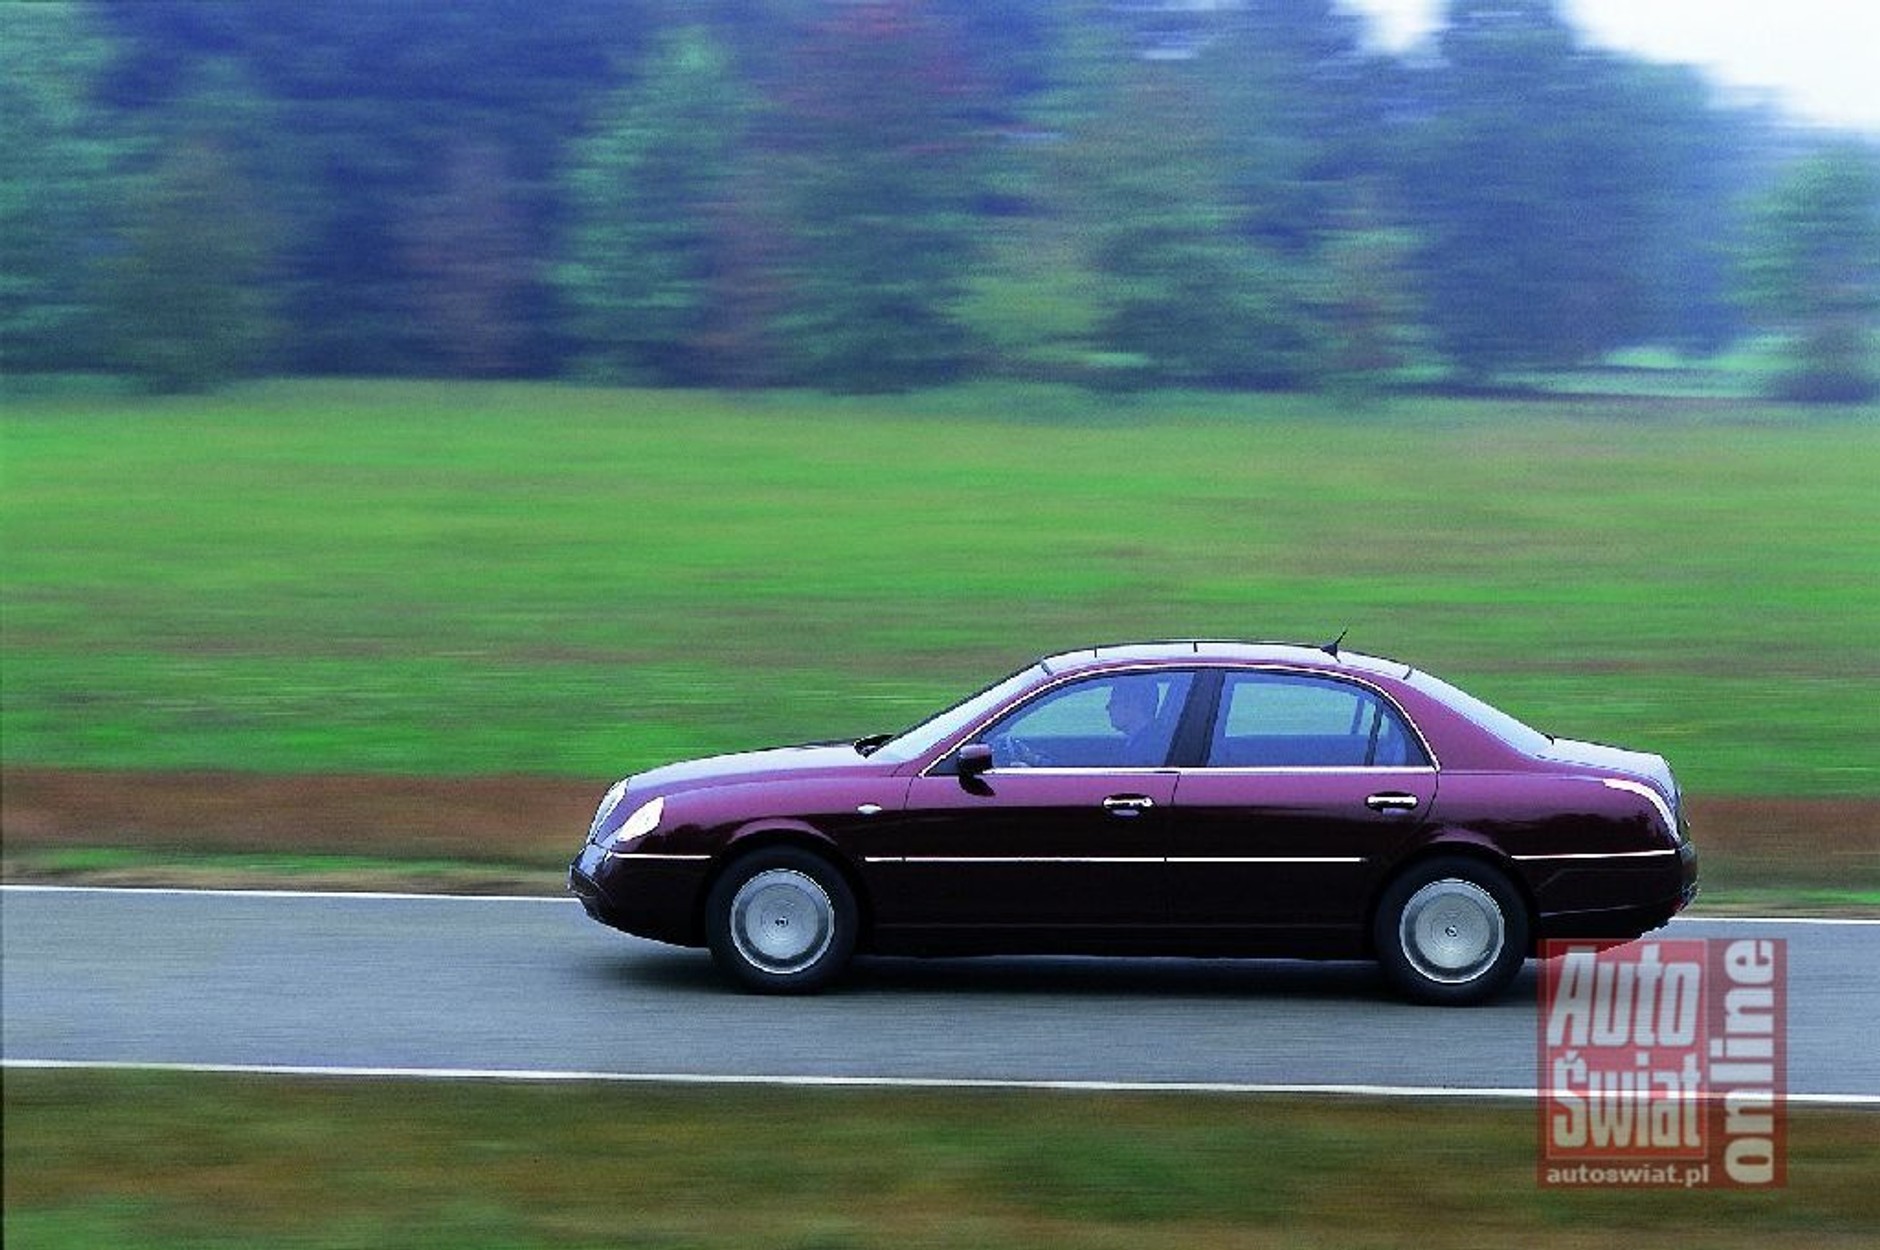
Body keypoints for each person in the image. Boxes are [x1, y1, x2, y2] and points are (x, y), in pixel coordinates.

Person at [1106, 679, 1167, 766]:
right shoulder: (1150, 740)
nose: (1107, 707)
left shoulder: (1144, 751)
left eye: (1113, 702)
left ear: (1133, 704)